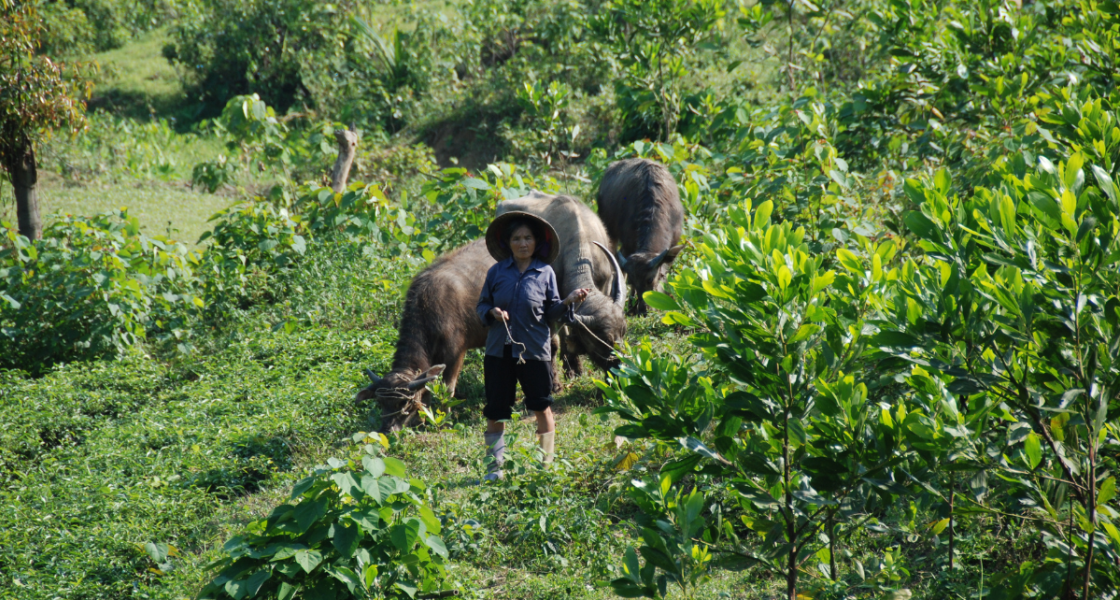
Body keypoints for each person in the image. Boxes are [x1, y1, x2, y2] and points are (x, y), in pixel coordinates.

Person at [476, 211, 590, 481]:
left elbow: (551, 311)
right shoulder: (496, 272)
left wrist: (568, 300)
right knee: (496, 409)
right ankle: (495, 470)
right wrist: (492, 312)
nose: (523, 243)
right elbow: (481, 305)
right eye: (517, 238)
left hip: (535, 351)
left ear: (537, 243)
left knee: (541, 406)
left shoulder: (546, 272)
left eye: (528, 238)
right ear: (508, 243)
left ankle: (545, 467)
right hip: (498, 351)